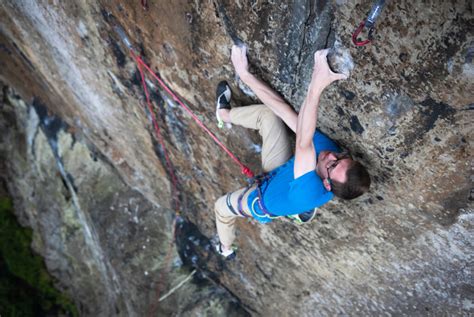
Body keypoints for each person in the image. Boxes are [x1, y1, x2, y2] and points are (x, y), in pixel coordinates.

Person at [214, 45, 371, 259]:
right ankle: (224, 115)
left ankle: (225, 249)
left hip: (263, 201)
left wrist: (317, 83)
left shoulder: (309, 187)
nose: (332, 156)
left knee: (221, 208)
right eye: (343, 158)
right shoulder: (330, 155)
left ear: (327, 184)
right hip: (285, 170)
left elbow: (304, 144)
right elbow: (285, 112)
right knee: (269, 116)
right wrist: (245, 74)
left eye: (333, 165)